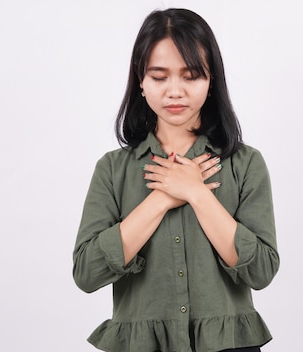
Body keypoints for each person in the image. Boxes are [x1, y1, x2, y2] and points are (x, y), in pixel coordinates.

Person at [73, 8, 279, 352]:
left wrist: (198, 194)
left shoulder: (246, 164)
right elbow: (87, 273)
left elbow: (260, 271)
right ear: (140, 80)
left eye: (191, 76)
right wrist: (162, 198)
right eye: (159, 76)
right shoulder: (112, 169)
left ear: (211, 80)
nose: (175, 91)